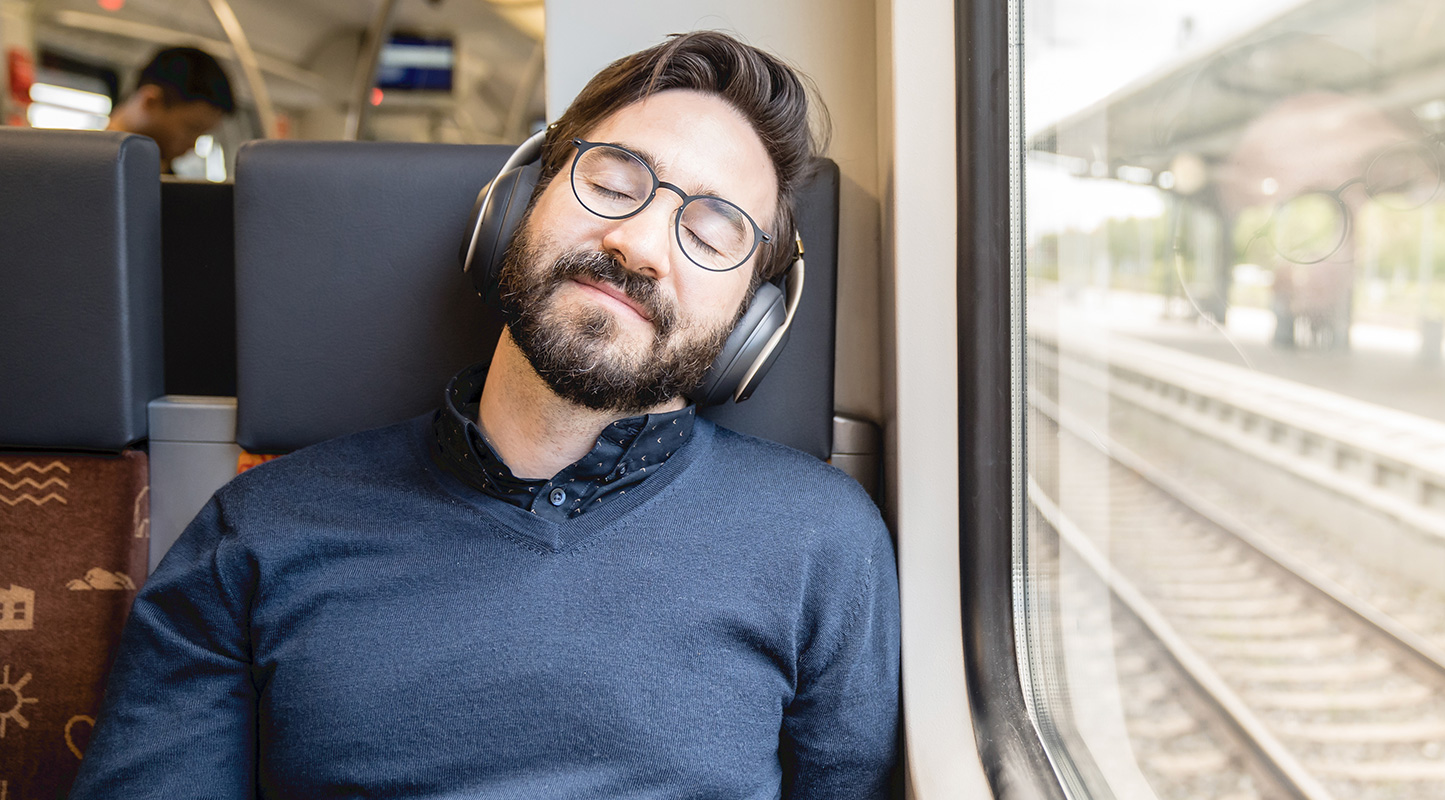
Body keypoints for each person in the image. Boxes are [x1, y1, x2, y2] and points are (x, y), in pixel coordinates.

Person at [69, 31, 899, 799]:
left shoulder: (822, 544)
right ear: (516, 205)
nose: (640, 243)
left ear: (750, 324)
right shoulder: (259, 531)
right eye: (612, 182)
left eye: (712, 235)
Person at [104, 46, 234, 165]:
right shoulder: (91, 170)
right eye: (191, 129)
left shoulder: (163, 178)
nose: (193, 145)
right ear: (151, 102)